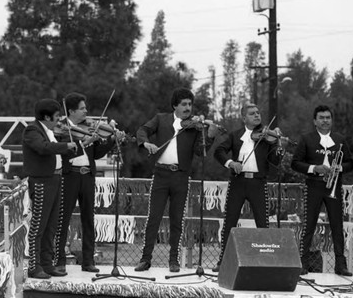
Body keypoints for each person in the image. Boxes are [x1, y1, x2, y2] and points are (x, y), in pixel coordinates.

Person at [134, 88, 218, 273]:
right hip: (161, 174)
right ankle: (145, 259)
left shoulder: (195, 126)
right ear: (175, 106)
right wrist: (145, 142)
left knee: (177, 220)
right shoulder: (161, 119)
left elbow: (200, 152)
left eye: (190, 104)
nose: (188, 108)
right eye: (184, 104)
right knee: (153, 218)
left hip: (181, 176)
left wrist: (209, 135)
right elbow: (143, 129)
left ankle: (174, 260)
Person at [53, 92, 122, 274]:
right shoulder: (60, 128)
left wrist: (112, 140)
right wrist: (83, 141)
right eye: (82, 108)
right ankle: (59, 261)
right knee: (63, 218)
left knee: (88, 219)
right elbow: (62, 151)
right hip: (69, 176)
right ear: (72, 111)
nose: (86, 112)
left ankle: (88, 261)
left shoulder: (90, 128)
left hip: (87, 176)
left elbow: (97, 153)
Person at [212, 103, 282, 272]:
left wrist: (279, 144)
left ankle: (265, 262)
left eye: (258, 113)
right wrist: (231, 163)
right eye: (252, 114)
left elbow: (275, 161)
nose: (257, 115)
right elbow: (219, 151)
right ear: (244, 118)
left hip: (258, 183)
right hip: (238, 182)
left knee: (263, 223)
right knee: (229, 222)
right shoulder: (235, 135)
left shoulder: (267, 136)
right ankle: (223, 261)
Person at [291, 105, 353, 276]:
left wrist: (339, 168)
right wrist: (313, 168)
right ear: (315, 121)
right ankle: (302, 263)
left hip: (334, 186)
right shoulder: (306, 139)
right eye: (321, 117)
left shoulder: (340, 139)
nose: (325, 120)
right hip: (314, 185)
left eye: (328, 117)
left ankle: (340, 265)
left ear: (331, 120)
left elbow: (351, 163)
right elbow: (295, 162)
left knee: (337, 226)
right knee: (309, 225)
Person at [22, 98, 77, 279]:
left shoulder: (49, 130)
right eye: (56, 116)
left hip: (55, 179)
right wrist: (65, 145)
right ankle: (34, 266)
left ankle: (47, 263)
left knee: (52, 225)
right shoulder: (32, 130)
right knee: (39, 225)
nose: (59, 119)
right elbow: (42, 147)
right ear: (46, 116)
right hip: (41, 181)